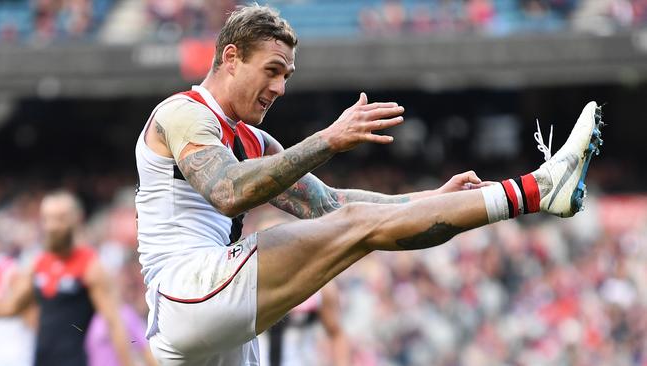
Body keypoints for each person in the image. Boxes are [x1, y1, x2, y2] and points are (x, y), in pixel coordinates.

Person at [135, 4, 604, 365]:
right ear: (231, 58)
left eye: (287, 76)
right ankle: (537, 189)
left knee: (358, 221)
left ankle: (532, 192)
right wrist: (327, 140)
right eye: (272, 70)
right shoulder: (185, 114)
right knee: (360, 225)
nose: (279, 88)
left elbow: (332, 206)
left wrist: (425, 201)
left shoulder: (255, 140)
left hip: (203, 323)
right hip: (187, 290)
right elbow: (227, 191)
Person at [0, 191, 136, 366]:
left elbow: (114, 323)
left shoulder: (90, 266)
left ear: (77, 219)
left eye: (59, 218)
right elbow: (11, 307)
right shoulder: (38, 263)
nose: (52, 226)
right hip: (40, 361)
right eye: (47, 218)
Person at [252, 209, 350, 366]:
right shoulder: (245, 286)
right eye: (266, 241)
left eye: (279, 240)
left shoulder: (319, 285)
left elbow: (337, 334)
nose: (273, 249)